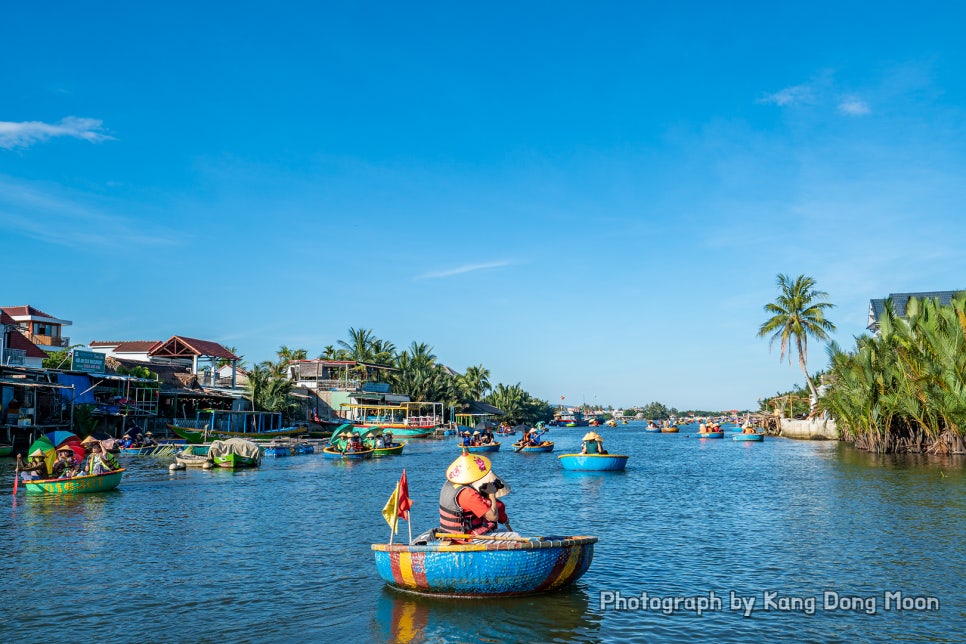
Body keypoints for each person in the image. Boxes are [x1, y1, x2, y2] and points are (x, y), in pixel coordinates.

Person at [438, 452, 514, 543]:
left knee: (500, 531)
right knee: (513, 536)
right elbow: (493, 517)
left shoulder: (448, 484)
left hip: (450, 534)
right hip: (465, 538)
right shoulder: (468, 493)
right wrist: (492, 494)